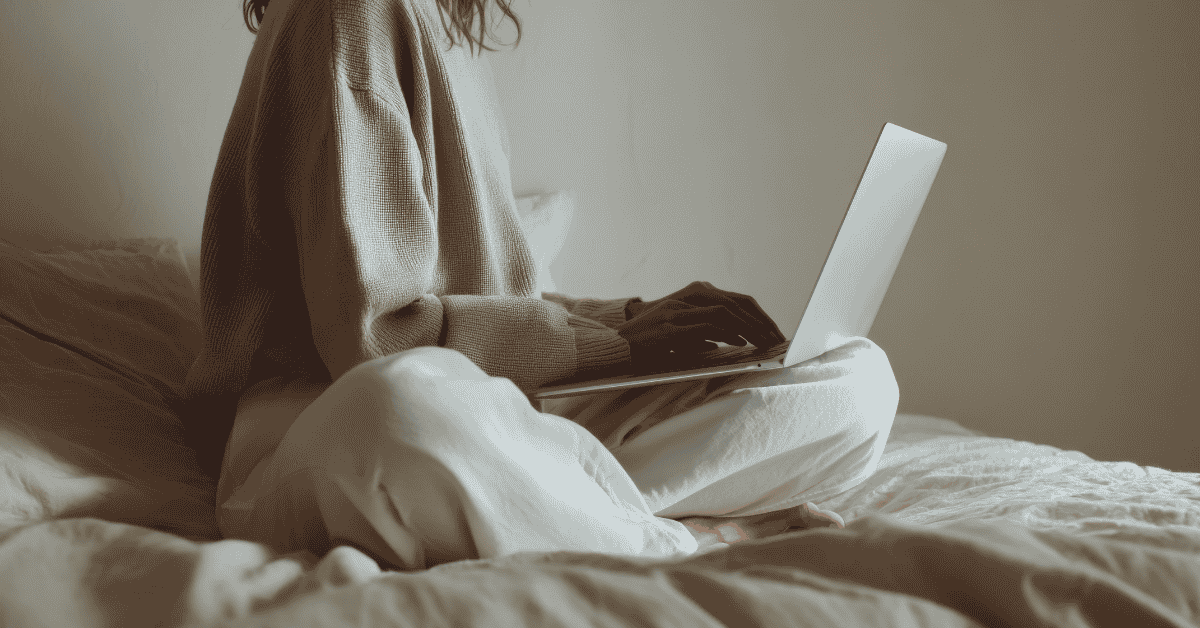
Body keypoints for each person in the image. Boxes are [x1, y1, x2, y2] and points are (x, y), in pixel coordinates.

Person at [183, 0, 899, 571]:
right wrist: (613, 346)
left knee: (853, 380)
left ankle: (555, 508)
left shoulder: (446, 24)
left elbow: (499, 306)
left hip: (509, 415)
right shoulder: (343, 13)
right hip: (319, 435)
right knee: (403, 408)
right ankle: (698, 544)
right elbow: (378, 344)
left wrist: (634, 322)